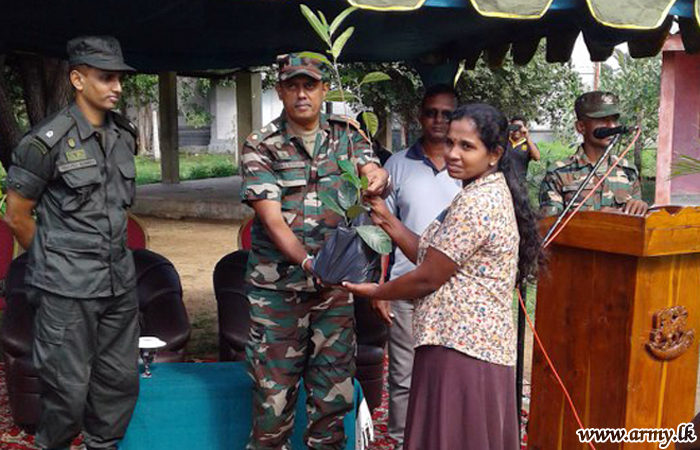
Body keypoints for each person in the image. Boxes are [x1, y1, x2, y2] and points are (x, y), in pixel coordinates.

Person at [343, 103, 542, 450]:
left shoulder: (477, 202)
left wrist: (379, 289)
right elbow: (430, 253)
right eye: (450, 143)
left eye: (467, 146)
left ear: (494, 153)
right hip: (463, 342)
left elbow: (428, 277)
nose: (452, 153)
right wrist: (385, 217)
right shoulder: (479, 191)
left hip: (463, 347)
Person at [239, 53, 389, 450]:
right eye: (292, 85)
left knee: (332, 401)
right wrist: (308, 262)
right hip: (277, 295)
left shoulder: (348, 135)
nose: (301, 94)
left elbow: (374, 174)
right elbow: (271, 221)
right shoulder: (261, 145)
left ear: (324, 89)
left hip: (334, 294)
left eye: (309, 85)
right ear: (280, 91)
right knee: (272, 404)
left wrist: (377, 176)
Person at [4, 36, 140, 450]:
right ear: (77, 79)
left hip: (119, 284)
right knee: (65, 394)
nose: (116, 86)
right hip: (66, 290)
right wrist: (51, 265)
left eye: (119, 77)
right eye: (105, 77)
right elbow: (17, 214)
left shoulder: (124, 135)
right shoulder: (44, 142)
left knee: (118, 386)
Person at [371, 83, 461, 450]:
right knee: (404, 375)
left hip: (455, 291)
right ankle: (401, 440)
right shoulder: (397, 165)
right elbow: (380, 230)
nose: (438, 120)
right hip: (405, 286)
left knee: (452, 373)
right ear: (419, 116)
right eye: (431, 112)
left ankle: (447, 439)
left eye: (447, 113)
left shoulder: (467, 164)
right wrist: (380, 288)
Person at [539, 91, 648, 217]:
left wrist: (639, 207)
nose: (612, 126)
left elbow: (636, 224)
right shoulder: (558, 173)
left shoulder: (628, 171)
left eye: (614, 120)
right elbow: (548, 226)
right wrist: (596, 218)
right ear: (581, 127)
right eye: (602, 120)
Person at [505, 115, 540, 184]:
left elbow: (537, 157)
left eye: (520, 127)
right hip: (503, 182)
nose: (517, 130)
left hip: (520, 183)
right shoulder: (505, 142)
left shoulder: (528, 144)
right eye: (515, 126)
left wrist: (527, 136)